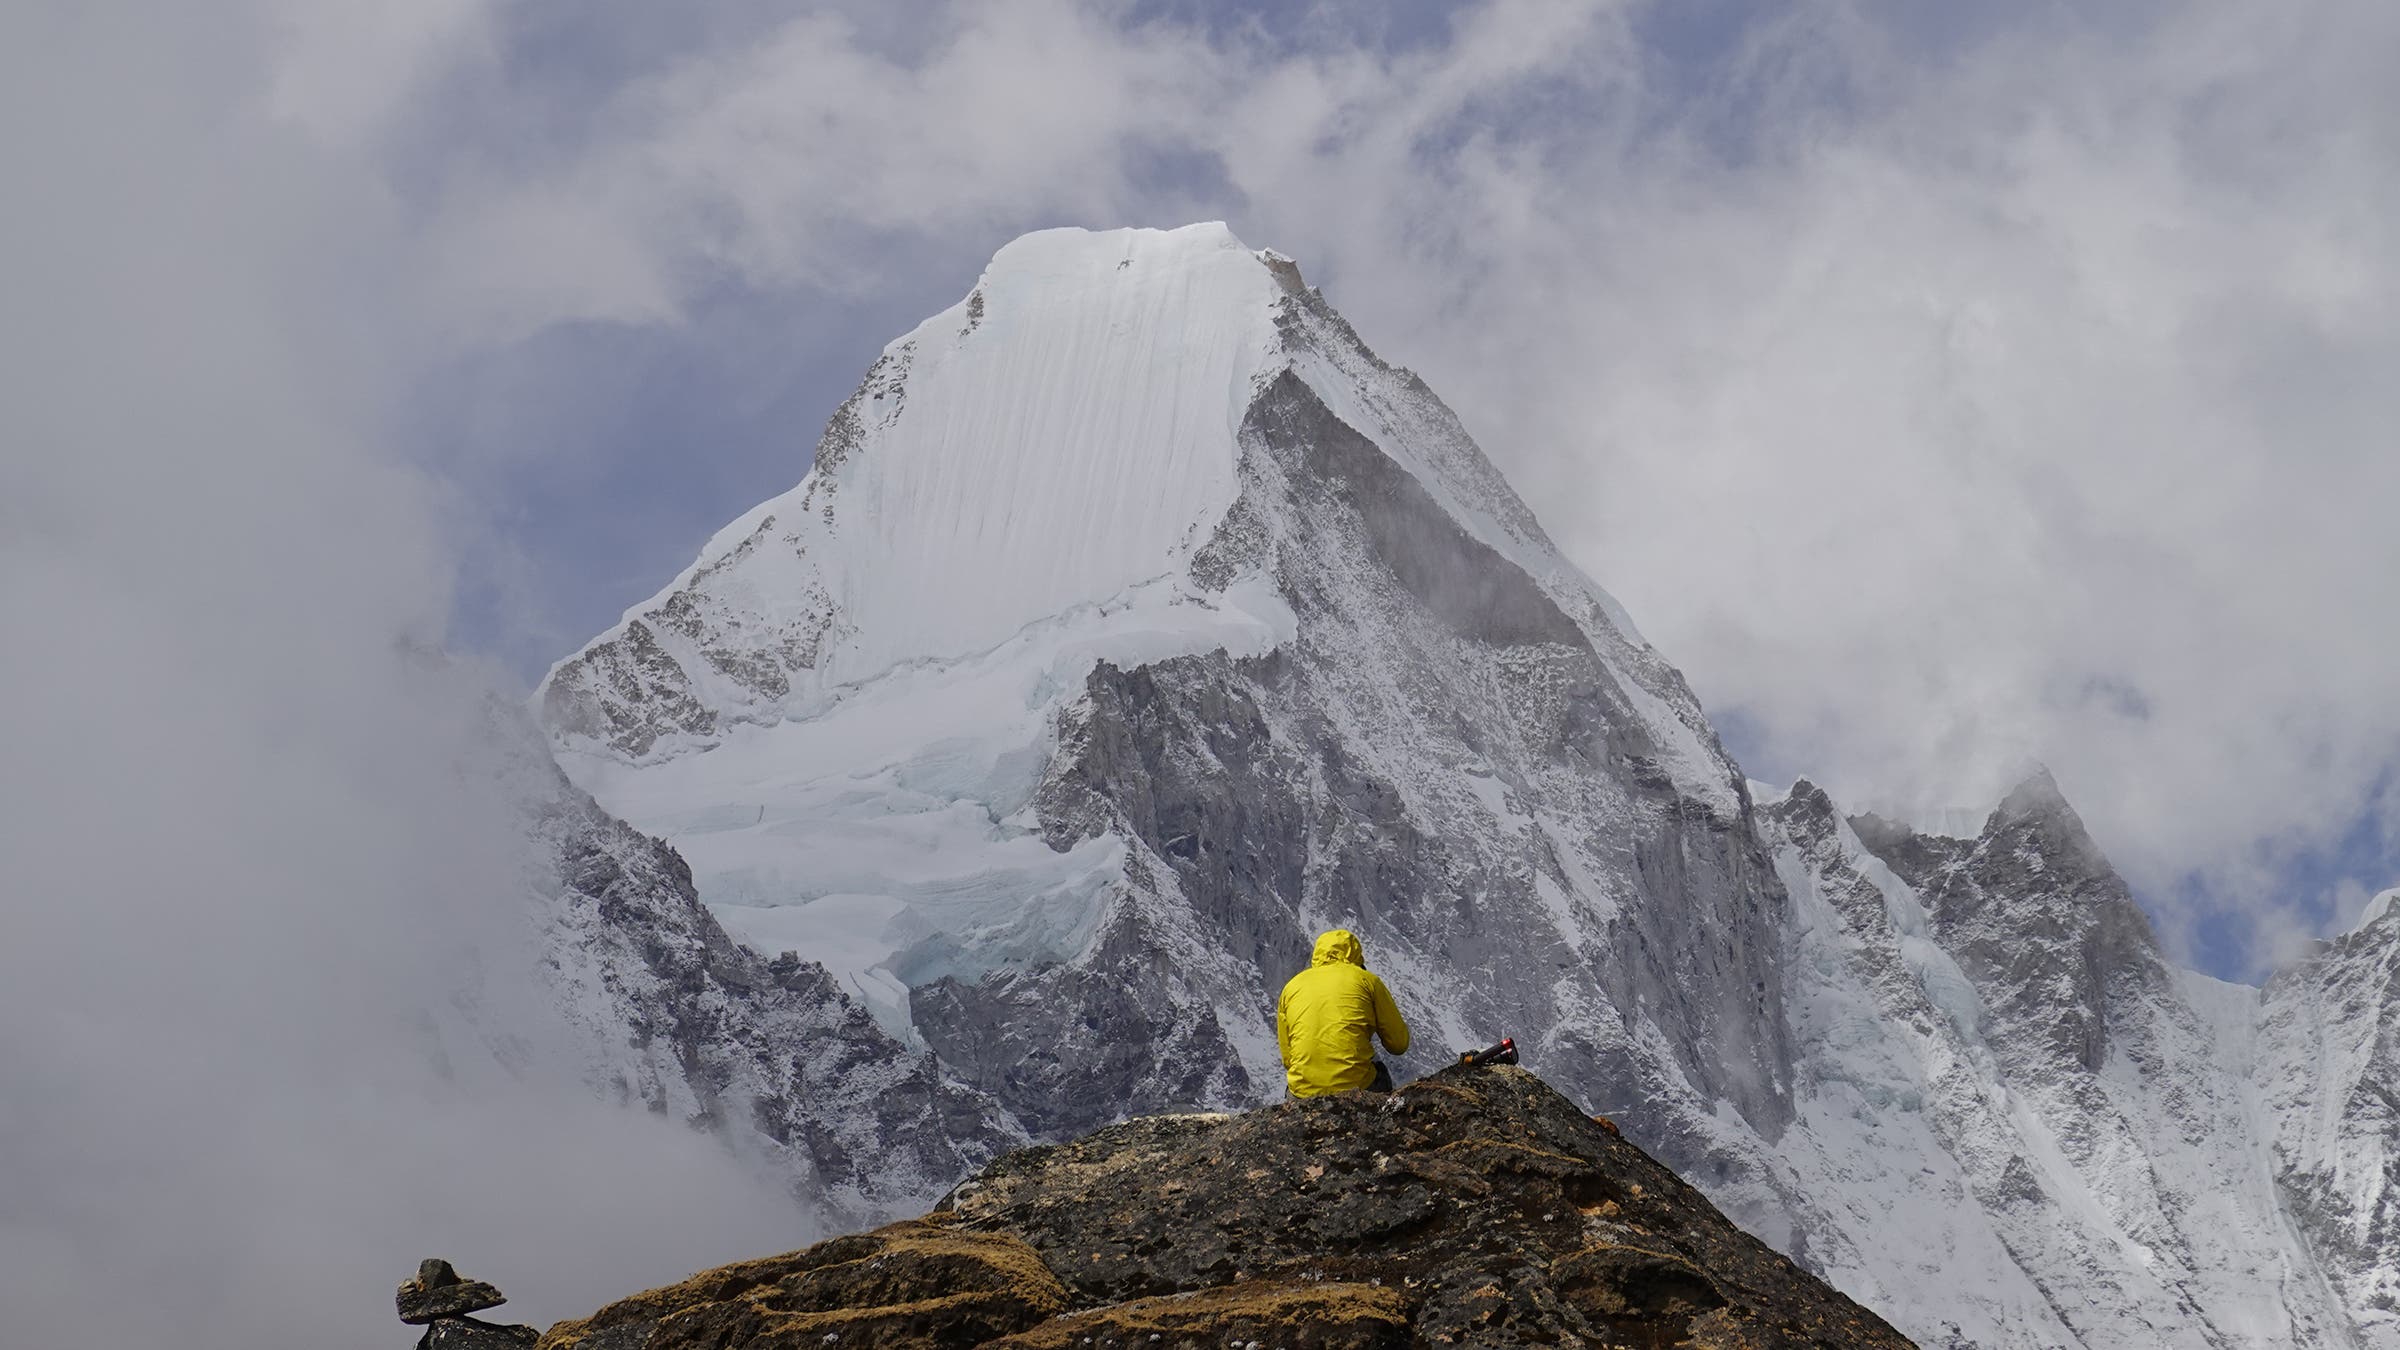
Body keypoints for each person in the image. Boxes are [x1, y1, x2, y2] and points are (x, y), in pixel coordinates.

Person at [1276, 928, 1411, 1097]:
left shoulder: (1291, 987)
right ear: (1356, 955)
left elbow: (1288, 1059)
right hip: (1357, 1086)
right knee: (1378, 1070)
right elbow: (1398, 1045)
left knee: (1294, 1087)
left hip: (1303, 1091)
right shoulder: (1367, 980)